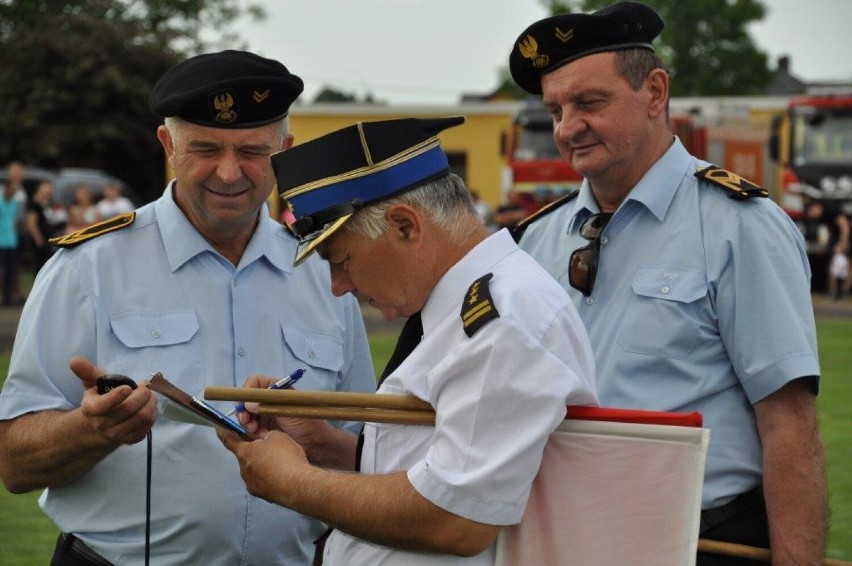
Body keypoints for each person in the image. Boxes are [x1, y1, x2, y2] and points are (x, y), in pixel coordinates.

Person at [0, 50, 376, 565]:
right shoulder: (87, 269)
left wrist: (319, 442)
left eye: (251, 151)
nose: (228, 172)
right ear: (168, 146)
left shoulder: (321, 273)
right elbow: (13, 462)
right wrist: (91, 430)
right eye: (204, 148)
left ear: (285, 150)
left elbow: (369, 454)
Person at [508, 3, 827, 565]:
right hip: (560, 537)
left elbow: (789, 425)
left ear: (655, 92)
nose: (566, 128)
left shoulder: (739, 225)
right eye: (555, 109)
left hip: (700, 542)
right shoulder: (535, 241)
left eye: (589, 102)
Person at [217, 116, 598, 565]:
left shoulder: (502, 320)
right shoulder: (460, 307)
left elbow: (456, 517)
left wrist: (292, 482)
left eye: (341, 260)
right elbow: (429, 469)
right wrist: (321, 445)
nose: (339, 287)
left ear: (404, 226)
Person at [25, 179, 58, 274]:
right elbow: (31, 223)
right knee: (39, 265)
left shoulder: (44, 204)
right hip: (40, 240)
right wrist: (38, 238)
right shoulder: (34, 205)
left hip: (47, 239)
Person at [0, 168, 20, 306]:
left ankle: (7, 298)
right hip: (0, 241)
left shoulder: (15, 203)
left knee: (10, 271)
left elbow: (15, 221)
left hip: (11, 241)